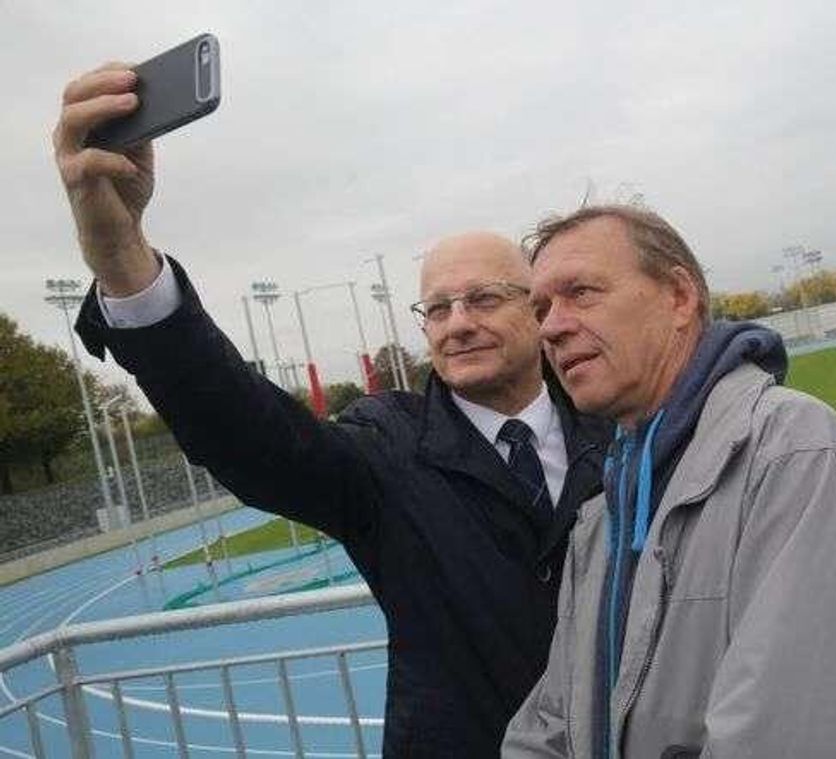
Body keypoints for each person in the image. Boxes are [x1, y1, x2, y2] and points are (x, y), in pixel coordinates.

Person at [53, 62, 610, 757]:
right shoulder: (388, 450)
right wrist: (120, 255)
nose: (456, 322)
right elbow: (247, 431)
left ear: (536, 308)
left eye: (484, 298)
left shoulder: (618, 422)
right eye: (436, 307)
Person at [503, 205, 836, 758]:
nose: (552, 326)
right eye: (541, 307)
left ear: (679, 298)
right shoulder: (601, 517)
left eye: (582, 292)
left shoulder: (795, 455)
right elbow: (550, 726)